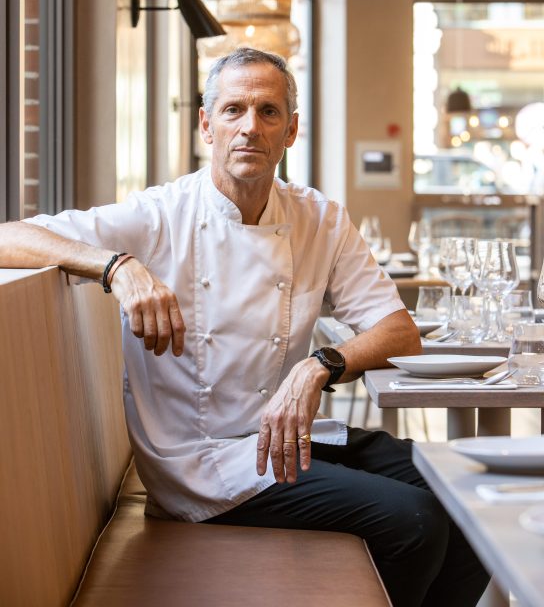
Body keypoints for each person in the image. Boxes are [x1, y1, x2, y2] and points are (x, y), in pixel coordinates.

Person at [0, 47, 488, 607]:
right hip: (201, 463)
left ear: (291, 131)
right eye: (233, 110)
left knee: (470, 493)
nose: (249, 127)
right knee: (415, 520)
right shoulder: (159, 216)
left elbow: (399, 332)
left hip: (289, 439)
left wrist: (318, 366)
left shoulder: (320, 219)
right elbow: (9, 237)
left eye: (268, 111)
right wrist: (117, 266)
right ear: (207, 125)